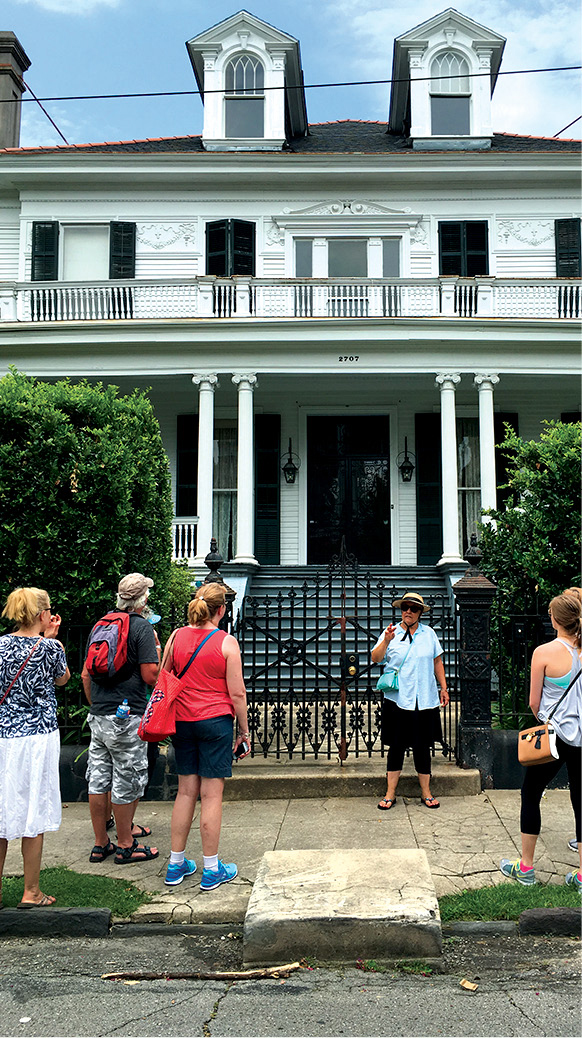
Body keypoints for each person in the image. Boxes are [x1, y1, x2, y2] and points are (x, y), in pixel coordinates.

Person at [161, 583, 250, 891]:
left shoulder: (176, 637)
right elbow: (237, 692)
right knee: (212, 795)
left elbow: (165, 677)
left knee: (185, 792)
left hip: (182, 721)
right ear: (221, 610)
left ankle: (176, 863)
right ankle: (211, 869)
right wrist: (244, 731)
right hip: (215, 722)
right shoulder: (226, 643)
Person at [500, 589, 582, 888]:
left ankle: (526, 867)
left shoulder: (544, 653)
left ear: (556, 620)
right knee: (580, 800)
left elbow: (534, 702)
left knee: (531, 793)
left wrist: (543, 717)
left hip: (556, 734)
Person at [81, 572, 160, 865]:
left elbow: (86, 674)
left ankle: (101, 843)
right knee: (127, 778)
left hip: (99, 714)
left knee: (99, 778)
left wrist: (97, 705)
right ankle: (126, 844)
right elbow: (150, 674)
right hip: (127, 716)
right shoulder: (141, 628)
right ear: (143, 599)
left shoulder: (101, 624)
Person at [0, 587, 70, 908]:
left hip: (4, 737)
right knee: (35, 808)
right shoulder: (51, 648)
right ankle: (31, 891)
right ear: (42, 615)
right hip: (39, 736)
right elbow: (62, 679)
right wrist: (51, 637)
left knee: (3, 808)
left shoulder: (0, 646)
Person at [372, 591, 449, 811]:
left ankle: (426, 793)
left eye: (413, 608)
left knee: (422, 746)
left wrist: (443, 688)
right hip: (398, 699)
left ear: (420, 613)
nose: (408, 611)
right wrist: (385, 642)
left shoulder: (429, 634)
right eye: (405, 607)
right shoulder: (391, 632)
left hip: (424, 698)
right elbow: (376, 658)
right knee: (396, 747)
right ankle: (390, 794)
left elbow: (437, 662)